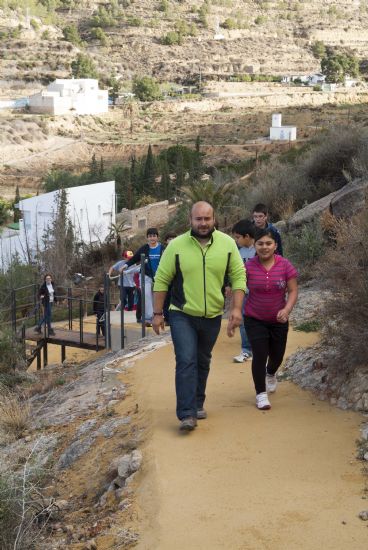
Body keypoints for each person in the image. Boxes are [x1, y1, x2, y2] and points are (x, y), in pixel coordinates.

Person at [152, 201, 246, 432]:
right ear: (190, 221)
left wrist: (236, 309)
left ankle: (197, 402)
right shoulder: (176, 246)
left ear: (214, 219)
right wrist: (156, 313)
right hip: (182, 313)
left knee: (202, 360)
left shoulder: (227, 244)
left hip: (212, 315)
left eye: (207, 219)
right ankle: (186, 414)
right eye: (198, 219)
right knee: (186, 360)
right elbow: (161, 280)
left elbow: (238, 276)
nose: (203, 223)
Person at [244, 228, 298, 410]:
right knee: (259, 355)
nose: (264, 247)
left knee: (277, 356)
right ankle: (261, 394)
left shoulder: (285, 265)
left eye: (268, 243)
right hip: (254, 319)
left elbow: (293, 290)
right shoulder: (248, 266)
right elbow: (238, 288)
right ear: (254, 245)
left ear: (275, 245)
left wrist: (287, 309)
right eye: (260, 243)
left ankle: (271, 372)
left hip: (278, 320)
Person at [122, 228, 164, 326]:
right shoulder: (144, 248)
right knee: (146, 295)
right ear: (147, 238)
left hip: (159, 276)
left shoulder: (162, 248)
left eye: (154, 236)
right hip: (146, 275)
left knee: (158, 296)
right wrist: (126, 265)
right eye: (150, 236)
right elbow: (135, 257)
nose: (152, 238)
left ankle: (158, 316)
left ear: (157, 237)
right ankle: (149, 319)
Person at [231, 219, 256, 363]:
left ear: (246, 236)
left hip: (258, 293)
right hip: (244, 292)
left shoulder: (260, 248)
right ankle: (246, 350)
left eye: (237, 237)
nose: (236, 240)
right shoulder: (237, 251)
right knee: (243, 320)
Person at [162, 232, 178, 326]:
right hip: (168, 278)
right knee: (167, 299)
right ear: (166, 241)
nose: (171, 240)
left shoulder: (181, 249)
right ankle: (167, 318)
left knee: (175, 298)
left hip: (177, 279)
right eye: (169, 238)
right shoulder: (163, 251)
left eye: (173, 238)